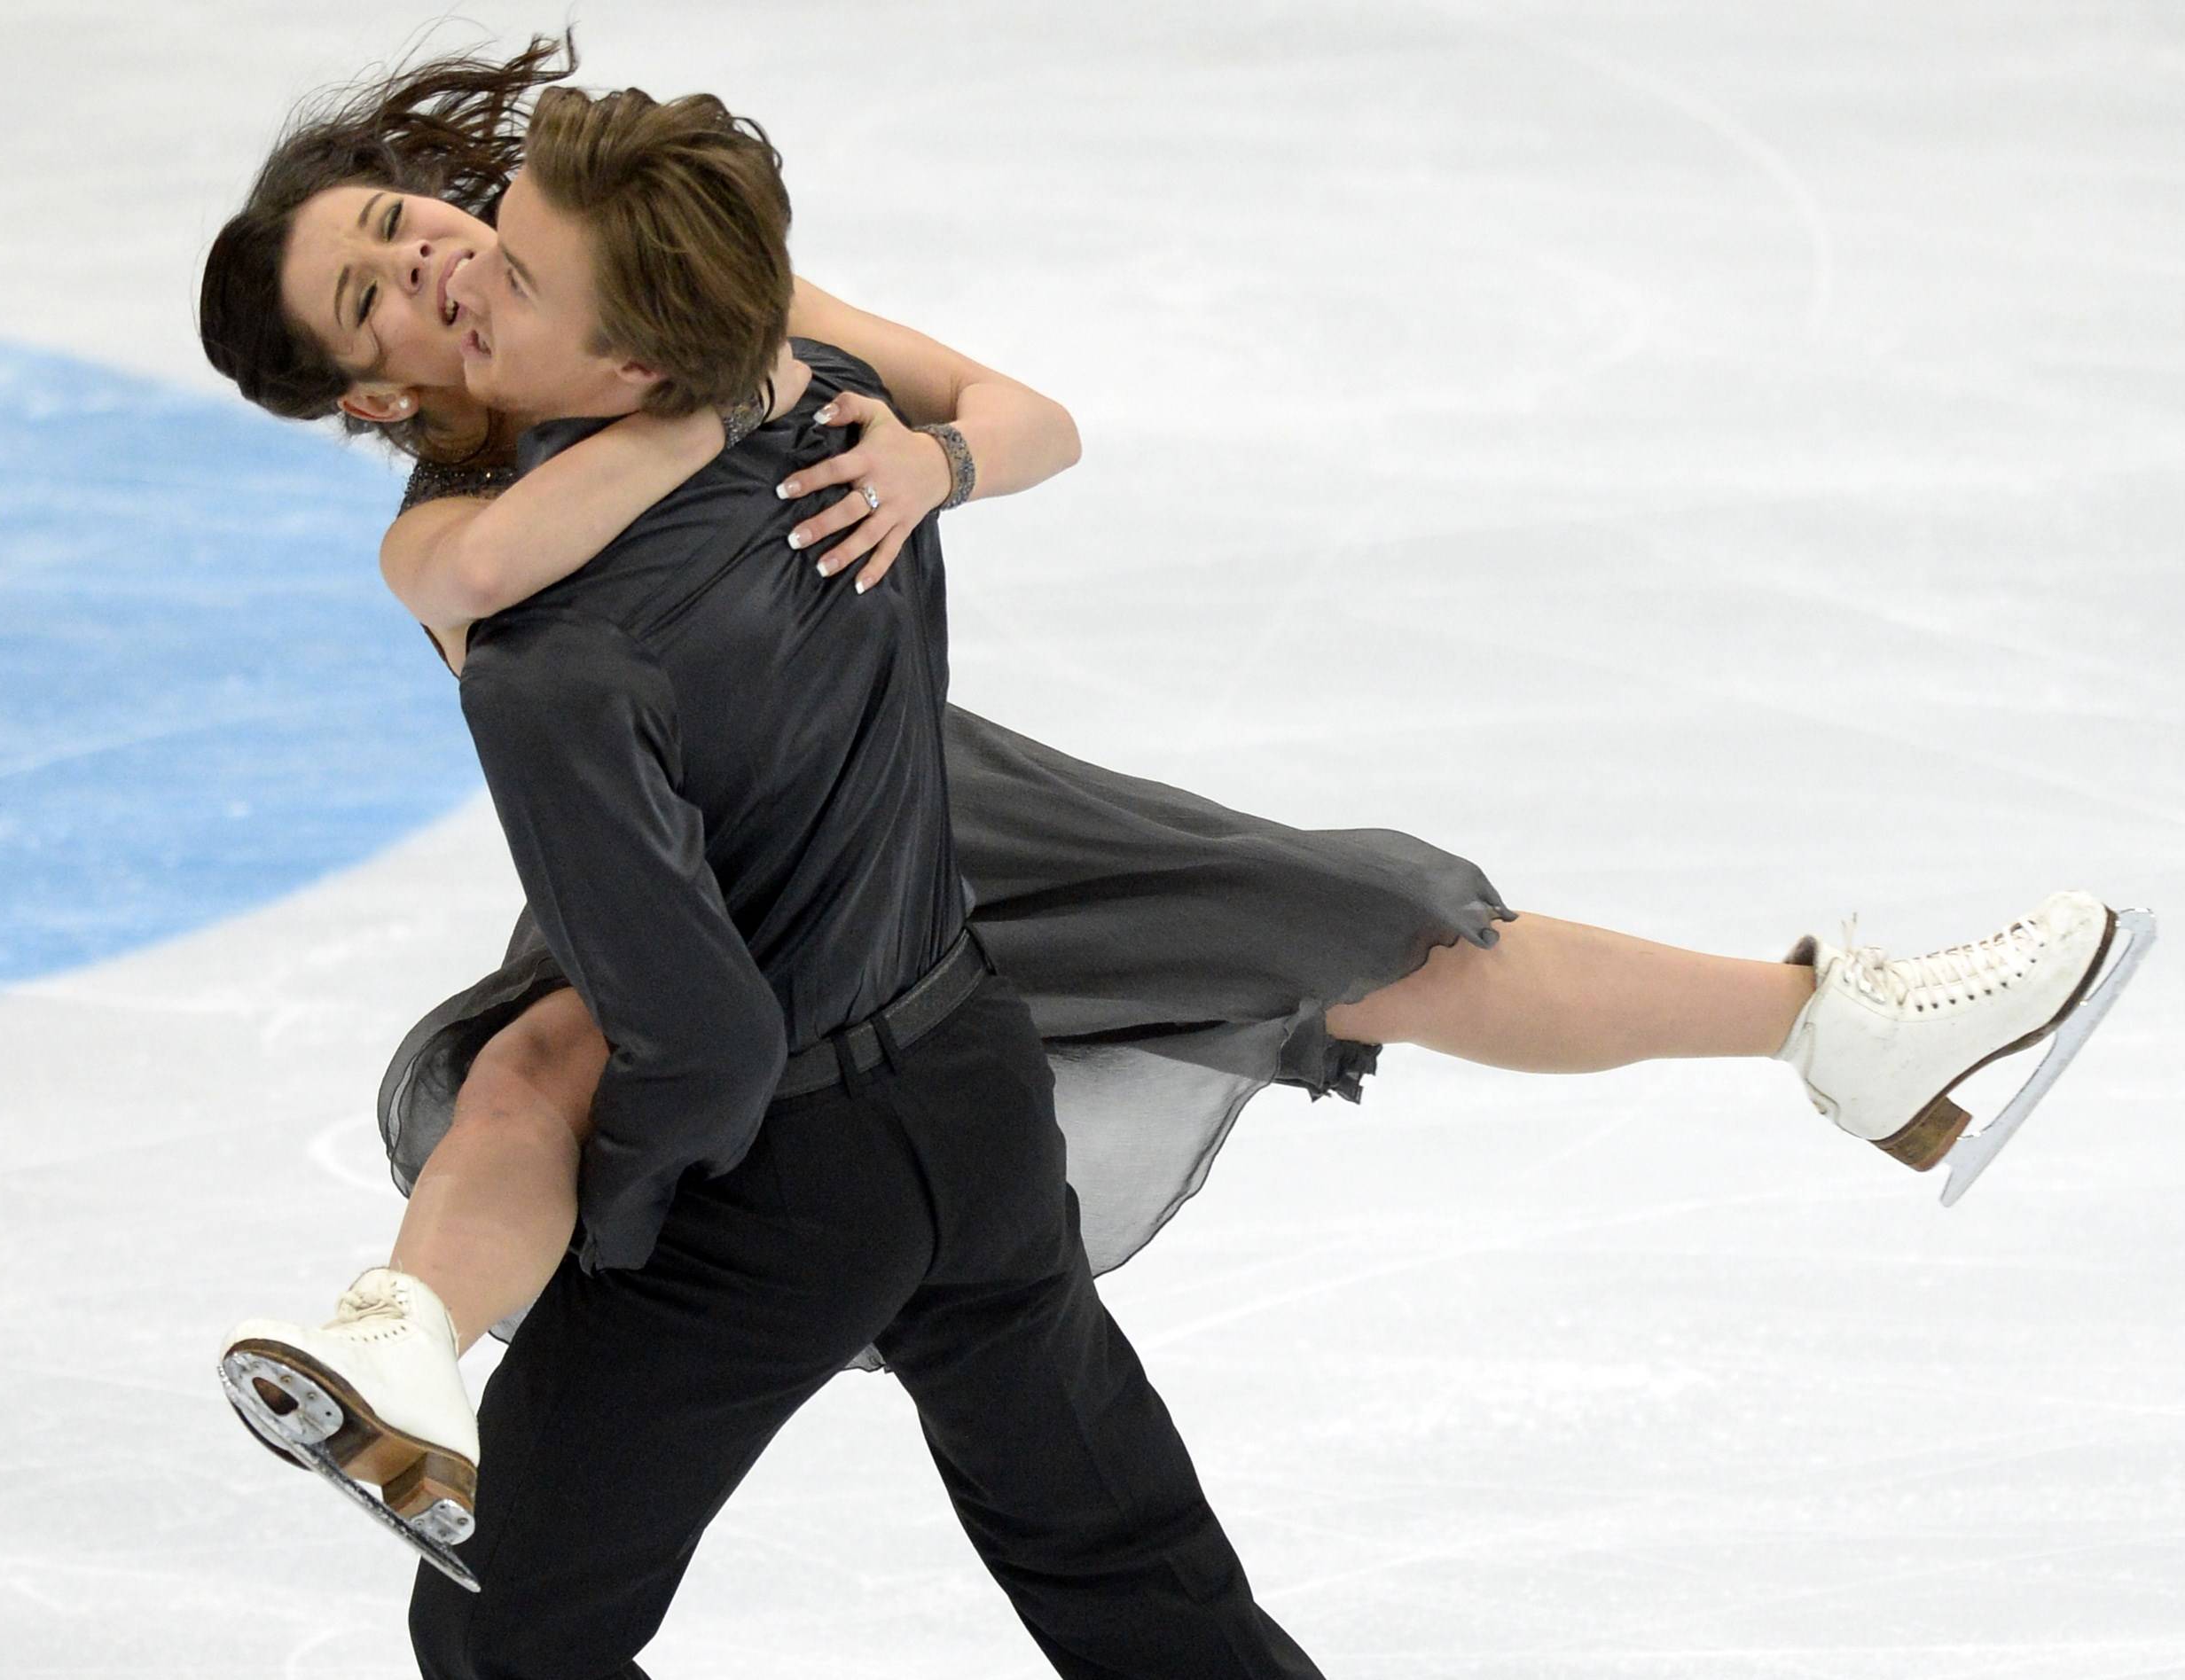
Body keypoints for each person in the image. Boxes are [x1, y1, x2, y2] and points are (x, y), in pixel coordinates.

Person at [198, 29, 2150, 1608]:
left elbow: (1029, 416)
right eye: (374, 293)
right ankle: (406, 1341)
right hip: (716, 847)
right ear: (369, 392)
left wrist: (934, 458)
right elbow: (508, 569)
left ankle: (1836, 1029)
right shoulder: (493, 499)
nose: (428, 261)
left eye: (401, 220)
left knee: (1347, 926)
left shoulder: (666, 283)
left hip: (914, 791)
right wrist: (716, 399)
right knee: (542, 1065)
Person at [273, 81, 1335, 1676]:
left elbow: (705, 1041)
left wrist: (608, 1227)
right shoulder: (845, 418)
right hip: (975, 1089)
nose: (466, 275)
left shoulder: (552, 664)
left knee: (507, 1640)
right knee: (1130, 1572)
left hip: (781, 1180)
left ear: (633, 368)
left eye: (517, 277)